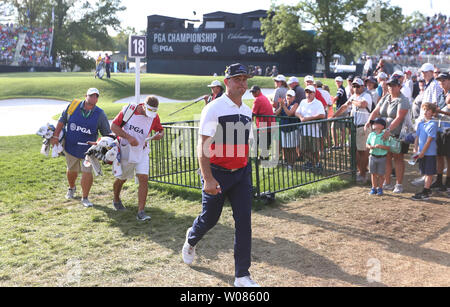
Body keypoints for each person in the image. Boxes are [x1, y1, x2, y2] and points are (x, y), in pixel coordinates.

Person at [182, 63, 259, 287]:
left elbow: (245, 142)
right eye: (238, 79)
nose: (243, 84)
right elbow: (202, 145)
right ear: (227, 82)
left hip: (241, 173)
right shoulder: (214, 108)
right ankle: (191, 238)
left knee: (244, 222)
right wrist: (208, 178)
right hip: (217, 174)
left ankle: (242, 275)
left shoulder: (247, 110)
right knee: (210, 219)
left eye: (245, 80)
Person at [50, 88, 112, 207]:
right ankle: (72, 188)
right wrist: (56, 136)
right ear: (86, 96)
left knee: (87, 172)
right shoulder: (73, 106)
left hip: (88, 151)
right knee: (72, 170)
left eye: (96, 96)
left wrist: (106, 146)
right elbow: (61, 121)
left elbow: (106, 134)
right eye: (91, 96)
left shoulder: (100, 114)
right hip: (71, 146)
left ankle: (85, 197)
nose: (94, 98)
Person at [111, 96, 164, 221]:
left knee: (144, 178)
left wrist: (159, 135)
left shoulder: (154, 117)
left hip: (143, 151)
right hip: (126, 150)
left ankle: (141, 211)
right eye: (149, 111)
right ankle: (116, 199)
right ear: (143, 106)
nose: (150, 115)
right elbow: (114, 127)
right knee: (121, 178)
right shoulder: (129, 110)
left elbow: (161, 130)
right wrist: (129, 138)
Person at [365, 76, 411, 193]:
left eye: (393, 85)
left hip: (398, 134)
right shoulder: (386, 97)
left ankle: (399, 184)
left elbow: (399, 118)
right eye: (389, 85)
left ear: (399, 86)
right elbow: (376, 111)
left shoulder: (403, 100)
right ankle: (387, 182)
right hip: (384, 133)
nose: (390, 87)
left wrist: (388, 130)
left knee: (398, 158)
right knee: (386, 157)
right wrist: (369, 122)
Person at [334, 77, 373, 183]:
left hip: (363, 127)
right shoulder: (353, 97)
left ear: (362, 87)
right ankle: (359, 170)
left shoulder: (366, 95)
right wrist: (333, 116)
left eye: (357, 86)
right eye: (353, 86)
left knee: (362, 151)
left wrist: (352, 101)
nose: (355, 88)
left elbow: (363, 104)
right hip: (354, 127)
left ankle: (363, 174)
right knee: (352, 150)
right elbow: (344, 107)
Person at [295, 85, 326, 170]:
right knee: (303, 150)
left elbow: (322, 115)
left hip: (314, 131)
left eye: (310, 92)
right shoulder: (303, 102)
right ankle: (315, 163)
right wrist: (301, 117)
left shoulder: (318, 103)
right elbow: (297, 112)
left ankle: (315, 164)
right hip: (304, 130)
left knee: (315, 150)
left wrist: (308, 119)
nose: (308, 94)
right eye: (307, 92)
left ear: (314, 93)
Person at [412, 103, 438, 200]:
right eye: (424, 110)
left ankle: (426, 191)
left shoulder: (432, 124)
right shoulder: (421, 124)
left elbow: (429, 140)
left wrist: (423, 151)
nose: (425, 112)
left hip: (429, 153)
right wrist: (415, 148)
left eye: (428, 110)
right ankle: (426, 189)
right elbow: (417, 137)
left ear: (432, 113)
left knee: (429, 172)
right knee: (424, 171)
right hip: (421, 152)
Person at [433, 72, 450, 192]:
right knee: (439, 156)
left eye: (443, 80)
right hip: (440, 127)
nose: (441, 83)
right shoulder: (440, 95)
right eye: (439, 80)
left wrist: (440, 111)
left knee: (449, 158)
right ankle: (439, 181)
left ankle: (448, 183)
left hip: (449, 128)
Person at [275, 90, 300, 169]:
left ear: (294, 97)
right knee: (285, 147)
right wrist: (281, 106)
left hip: (292, 129)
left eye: (290, 96)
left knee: (291, 148)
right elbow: (276, 113)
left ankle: (291, 164)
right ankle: (288, 162)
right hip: (284, 129)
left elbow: (290, 114)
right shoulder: (283, 104)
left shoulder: (295, 104)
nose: (288, 97)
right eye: (287, 96)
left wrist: (283, 106)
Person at [366, 118, 390, 196]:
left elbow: (388, 147)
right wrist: (370, 147)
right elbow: (367, 144)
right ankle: (374, 188)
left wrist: (380, 146)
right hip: (372, 156)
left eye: (376, 123)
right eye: (373, 123)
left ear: (382, 126)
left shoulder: (385, 135)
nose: (373, 125)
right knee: (373, 173)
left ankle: (380, 188)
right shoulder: (371, 134)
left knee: (381, 174)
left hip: (382, 157)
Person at [250, 85, 275, 159]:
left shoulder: (258, 99)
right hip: (270, 123)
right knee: (265, 142)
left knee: (258, 141)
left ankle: (259, 157)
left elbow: (253, 113)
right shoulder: (264, 97)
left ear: (258, 91)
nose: (253, 94)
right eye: (252, 92)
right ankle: (264, 157)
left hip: (264, 124)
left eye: (254, 92)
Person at [331, 76, 348, 149]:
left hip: (341, 110)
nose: (337, 82)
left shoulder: (340, 89)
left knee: (333, 127)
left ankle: (336, 144)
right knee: (342, 128)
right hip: (343, 110)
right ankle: (340, 144)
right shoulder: (341, 88)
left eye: (339, 81)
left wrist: (332, 101)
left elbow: (337, 97)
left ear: (341, 82)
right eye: (336, 81)